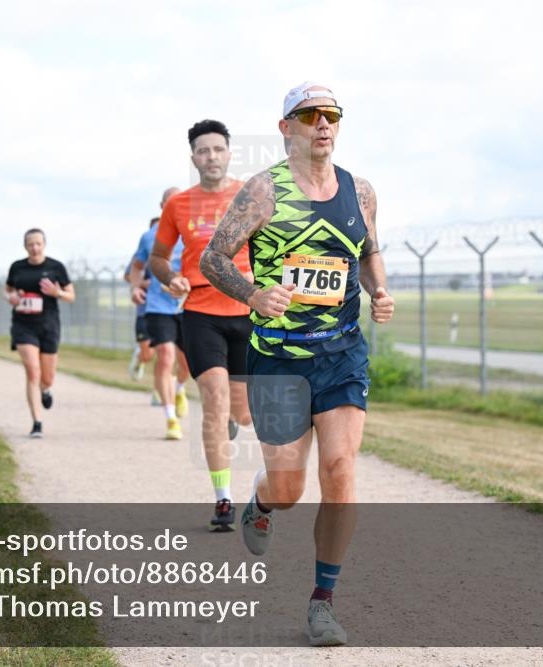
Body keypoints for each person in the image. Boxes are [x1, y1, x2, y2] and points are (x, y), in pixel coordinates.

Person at [200, 82, 396, 646]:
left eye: (331, 114)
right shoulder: (262, 193)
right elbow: (215, 257)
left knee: (340, 471)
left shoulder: (361, 192)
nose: (323, 124)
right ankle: (261, 503)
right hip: (279, 362)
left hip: (341, 355)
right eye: (310, 115)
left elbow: (367, 252)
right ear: (286, 127)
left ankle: (322, 602)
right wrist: (254, 296)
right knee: (289, 487)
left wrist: (378, 290)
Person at [149, 119, 253, 532]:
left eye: (218, 149)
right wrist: (167, 276)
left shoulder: (251, 198)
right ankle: (223, 499)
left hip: (247, 311)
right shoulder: (178, 205)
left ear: (228, 153)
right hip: (200, 313)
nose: (211, 156)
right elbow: (159, 257)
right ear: (193, 158)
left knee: (242, 414)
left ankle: (231, 419)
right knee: (213, 396)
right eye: (203, 151)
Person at [132, 191, 192, 440]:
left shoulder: (194, 232)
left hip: (188, 305)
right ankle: (170, 418)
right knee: (166, 357)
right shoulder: (149, 237)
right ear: (162, 207)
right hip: (158, 307)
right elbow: (136, 266)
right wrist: (136, 287)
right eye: (170, 203)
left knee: (187, 362)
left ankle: (179, 389)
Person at [4, 228, 75, 438]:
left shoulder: (55, 267)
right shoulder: (17, 268)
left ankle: (45, 390)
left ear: (44, 244)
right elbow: (7, 290)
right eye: (30, 244)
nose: (34, 248)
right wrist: (11, 297)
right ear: (25, 246)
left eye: (38, 244)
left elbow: (71, 295)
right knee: (32, 371)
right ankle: (37, 422)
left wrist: (57, 292)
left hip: (49, 324)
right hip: (23, 325)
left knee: (47, 377)